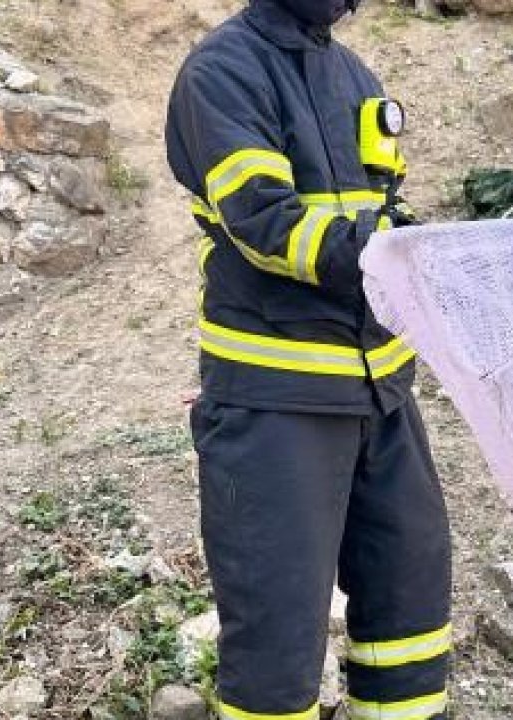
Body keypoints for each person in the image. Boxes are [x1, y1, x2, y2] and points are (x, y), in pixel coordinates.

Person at [164, 1, 451, 718]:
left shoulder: (356, 76)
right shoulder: (221, 72)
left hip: (382, 394)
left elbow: (380, 211)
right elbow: (265, 223)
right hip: (276, 403)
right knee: (276, 640)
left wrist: (441, 241)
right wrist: (389, 252)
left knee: (411, 605)